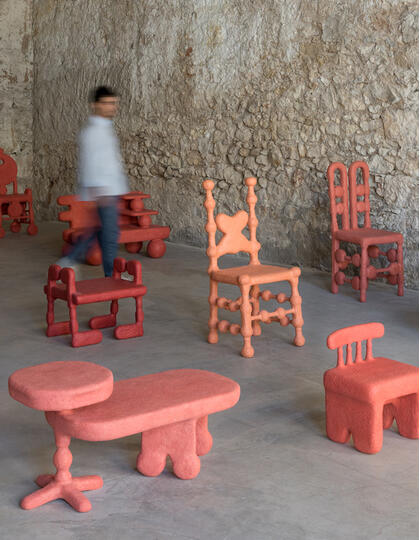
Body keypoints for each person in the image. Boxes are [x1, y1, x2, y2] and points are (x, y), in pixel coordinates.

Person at [57, 86, 128, 277]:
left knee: (99, 231)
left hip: (111, 189)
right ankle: (111, 276)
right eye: (107, 103)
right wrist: (98, 188)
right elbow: (89, 161)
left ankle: (70, 260)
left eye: (114, 103)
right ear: (95, 105)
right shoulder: (92, 132)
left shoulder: (106, 129)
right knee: (110, 235)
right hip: (103, 190)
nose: (112, 107)